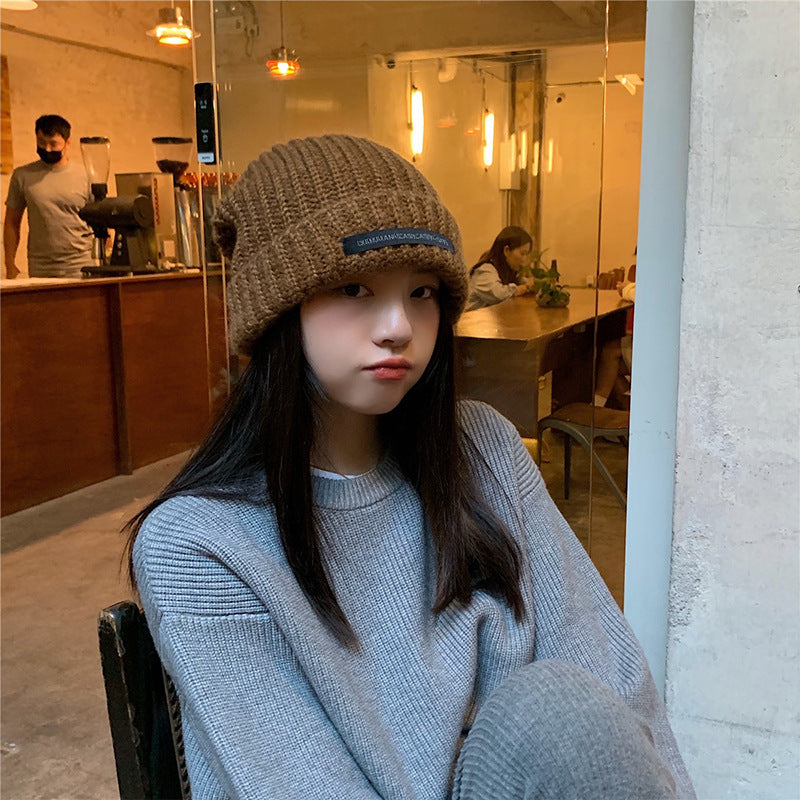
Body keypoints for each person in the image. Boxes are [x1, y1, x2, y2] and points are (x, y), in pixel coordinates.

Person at [126, 136, 695, 799]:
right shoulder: (199, 542)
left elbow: (617, 692)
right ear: (277, 310)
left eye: (422, 292)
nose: (398, 325)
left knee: (566, 711)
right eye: (355, 288)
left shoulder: (483, 450)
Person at [3, 114, 92, 278]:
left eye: (53, 144)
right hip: (41, 267)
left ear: (68, 142)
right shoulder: (22, 176)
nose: (47, 149)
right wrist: (9, 263)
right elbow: (11, 223)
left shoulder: (86, 175)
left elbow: (102, 221)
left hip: (81, 265)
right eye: (41, 143)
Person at [465, 225, 534, 311]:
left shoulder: (507, 270)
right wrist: (524, 288)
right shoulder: (485, 270)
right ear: (507, 250)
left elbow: (518, 281)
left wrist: (530, 283)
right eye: (522, 253)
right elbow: (498, 294)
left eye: (527, 254)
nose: (524, 259)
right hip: (468, 318)